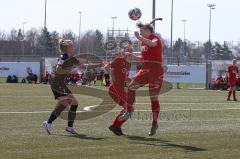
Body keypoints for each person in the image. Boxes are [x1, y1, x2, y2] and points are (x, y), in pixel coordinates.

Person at [42, 39, 99, 135]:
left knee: (74, 103)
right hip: (56, 82)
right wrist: (70, 70)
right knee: (65, 103)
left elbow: (83, 66)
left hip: (61, 83)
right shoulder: (64, 57)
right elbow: (58, 69)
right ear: (66, 48)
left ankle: (69, 127)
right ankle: (49, 123)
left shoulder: (71, 58)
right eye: (71, 46)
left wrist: (99, 64)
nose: (74, 47)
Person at [121, 23, 164, 136]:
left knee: (153, 97)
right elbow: (143, 58)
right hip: (145, 68)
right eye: (139, 31)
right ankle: (129, 110)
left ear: (148, 30)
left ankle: (154, 123)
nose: (140, 32)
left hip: (156, 70)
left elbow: (153, 44)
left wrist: (140, 38)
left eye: (142, 30)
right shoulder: (142, 41)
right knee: (131, 86)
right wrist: (132, 56)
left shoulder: (155, 38)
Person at [105, 45, 132, 136]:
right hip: (115, 88)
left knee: (129, 109)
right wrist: (113, 79)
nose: (129, 52)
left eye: (131, 50)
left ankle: (116, 126)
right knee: (129, 108)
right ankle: (115, 126)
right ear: (124, 51)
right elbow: (107, 67)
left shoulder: (128, 63)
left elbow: (124, 77)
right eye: (128, 50)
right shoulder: (118, 60)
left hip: (121, 89)